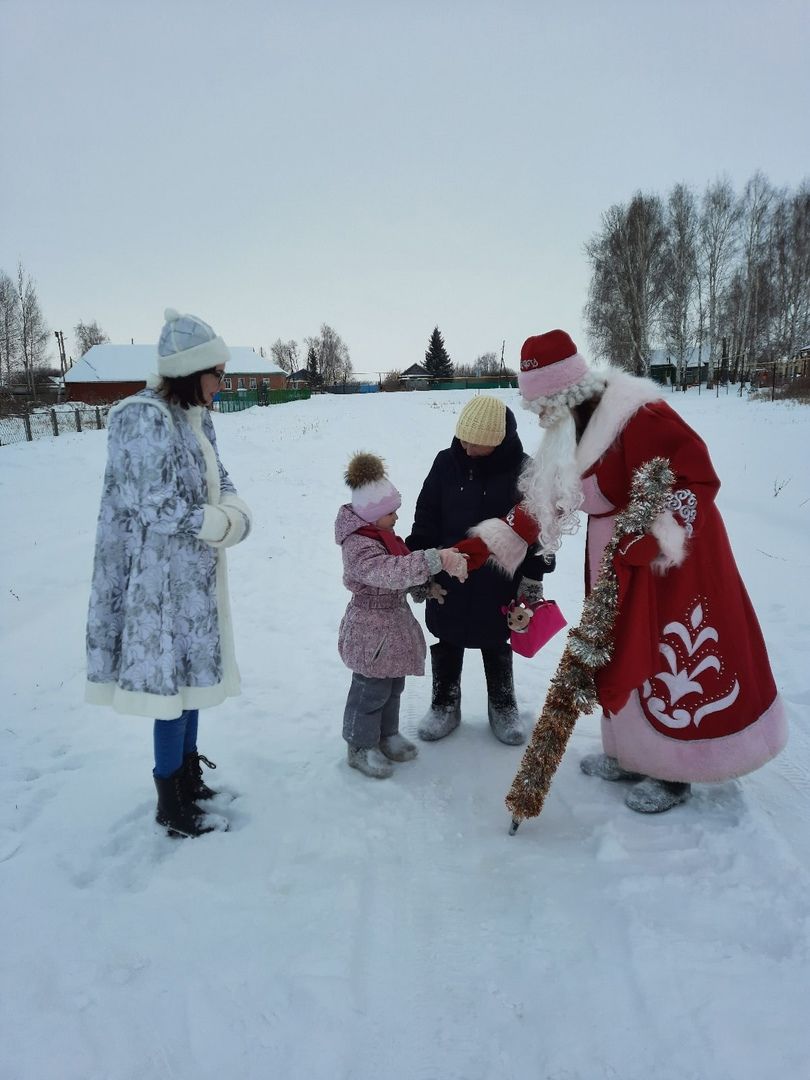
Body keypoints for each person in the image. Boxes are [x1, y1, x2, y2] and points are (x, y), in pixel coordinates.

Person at [456, 330, 787, 812]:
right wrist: (482, 547)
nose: (539, 416)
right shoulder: (571, 430)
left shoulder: (641, 414)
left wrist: (654, 535)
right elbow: (543, 504)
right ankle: (632, 754)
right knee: (616, 651)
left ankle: (675, 771)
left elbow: (696, 477)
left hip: (667, 569)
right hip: (613, 560)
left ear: (566, 394)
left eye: (543, 405)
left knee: (663, 657)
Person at [86, 308, 252, 837]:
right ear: (191, 370)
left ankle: (187, 776)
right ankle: (170, 800)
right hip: (156, 583)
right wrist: (221, 522)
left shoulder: (196, 417)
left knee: (195, 681)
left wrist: (233, 512)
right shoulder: (142, 416)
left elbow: (220, 477)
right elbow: (154, 506)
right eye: (218, 374)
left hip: (196, 575)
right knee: (169, 689)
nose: (222, 384)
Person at [406, 395, 555, 746]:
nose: (466, 447)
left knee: (496, 640)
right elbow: (426, 515)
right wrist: (418, 566)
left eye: (477, 442)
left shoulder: (525, 472)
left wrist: (533, 579)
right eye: (463, 438)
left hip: (501, 581)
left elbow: (543, 531)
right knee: (449, 635)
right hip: (449, 574)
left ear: (497, 440)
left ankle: (502, 704)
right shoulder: (446, 463)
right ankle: (445, 702)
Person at [336, 452, 467, 778]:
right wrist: (433, 560)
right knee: (370, 690)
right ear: (371, 514)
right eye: (390, 511)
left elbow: (402, 572)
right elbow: (388, 572)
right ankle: (360, 745)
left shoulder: (383, 537)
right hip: (371, 629)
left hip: (391, 625)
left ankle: (386, 735)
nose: (396, 517)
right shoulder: (359, 546)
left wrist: (424, 588)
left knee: (393, 686)